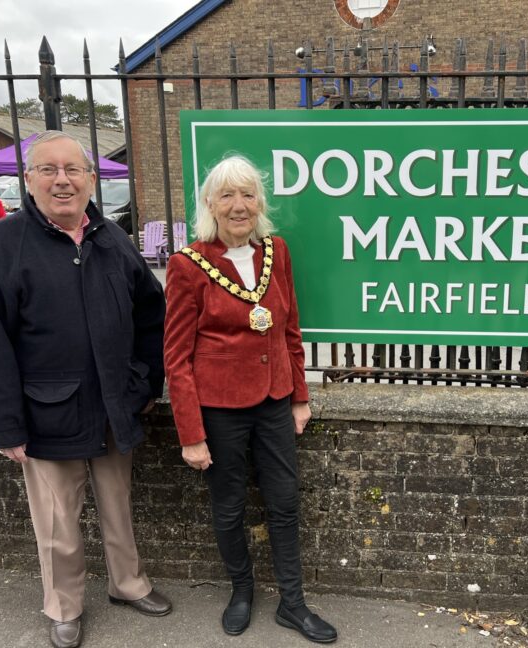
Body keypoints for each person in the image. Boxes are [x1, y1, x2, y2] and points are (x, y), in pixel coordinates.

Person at [0, 131, 171, 648]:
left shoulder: (113, 240)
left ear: (89, 179)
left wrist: (147, 381)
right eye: (48, 170)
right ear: (28, 181)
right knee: (58, 520)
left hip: (114, 404)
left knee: (118, 503)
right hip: (45, 412)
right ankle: (64, 606)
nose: (62, 180)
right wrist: (4, 424)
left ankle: (128, 584)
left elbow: (152, 316)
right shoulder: (0, 244)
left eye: (73, 170)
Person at [164, 155, 337, 643]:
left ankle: (293, 603)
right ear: (210, 205)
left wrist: (300, 396)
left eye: (247, 195)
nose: (239, 206)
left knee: (284, 503)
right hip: (219, 410)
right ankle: (241, 591)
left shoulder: (275, 251)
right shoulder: (187, 265)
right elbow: (176, 358)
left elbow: (290, 327)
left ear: (259, 202)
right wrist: (191, 435)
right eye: (227, 196)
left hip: (275, 402)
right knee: (229, 506)